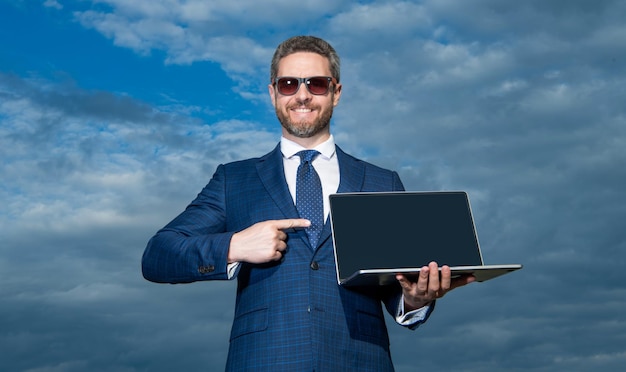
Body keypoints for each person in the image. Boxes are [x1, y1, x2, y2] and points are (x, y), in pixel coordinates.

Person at [142, 35, 474, 371]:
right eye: (288, 84)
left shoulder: (381, 182)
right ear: (273, 93)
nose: (302, 95)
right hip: (264, 361)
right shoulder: (234, 180)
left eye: (316, 84)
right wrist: (234, 246)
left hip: (359, 361)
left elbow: (398, 284)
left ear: (336, 93)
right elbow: (158, 255)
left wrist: (415, 299)